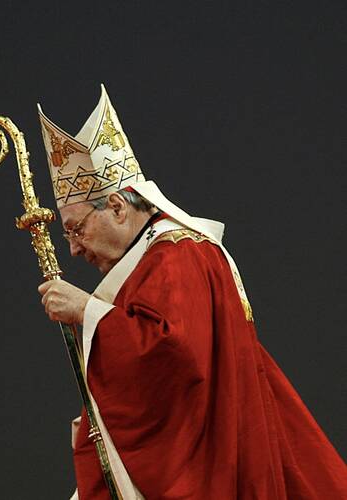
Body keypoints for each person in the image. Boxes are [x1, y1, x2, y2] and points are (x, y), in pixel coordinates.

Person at [36, 85, 347, 499]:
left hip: (210, 469)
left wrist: (87, 311)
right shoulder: (152, 259)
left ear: (116, 206)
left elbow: (176, 357)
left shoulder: (178, 256)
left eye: (76, 229)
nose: (73, 248)